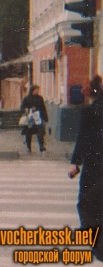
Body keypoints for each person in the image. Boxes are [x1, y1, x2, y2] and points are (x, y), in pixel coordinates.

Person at [68, 76, 103, 261]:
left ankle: (98, 246)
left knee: (88, 205)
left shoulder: (90, 112)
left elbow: (82, 139)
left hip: (95, 167)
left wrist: (75, 163)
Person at [20, 85, 49, 153]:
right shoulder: (27, 98)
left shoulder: (40, 98)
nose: (38, 91)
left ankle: (41, 146)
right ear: (33, 90)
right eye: (36, 90)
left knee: (40, 132)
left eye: (38, 90)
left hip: (39, 117)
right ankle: (29, 147)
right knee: (28, 133)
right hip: (30, 119)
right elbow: (22, 107)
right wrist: (29, 109)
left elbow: (43, 108)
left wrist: (45, 117)